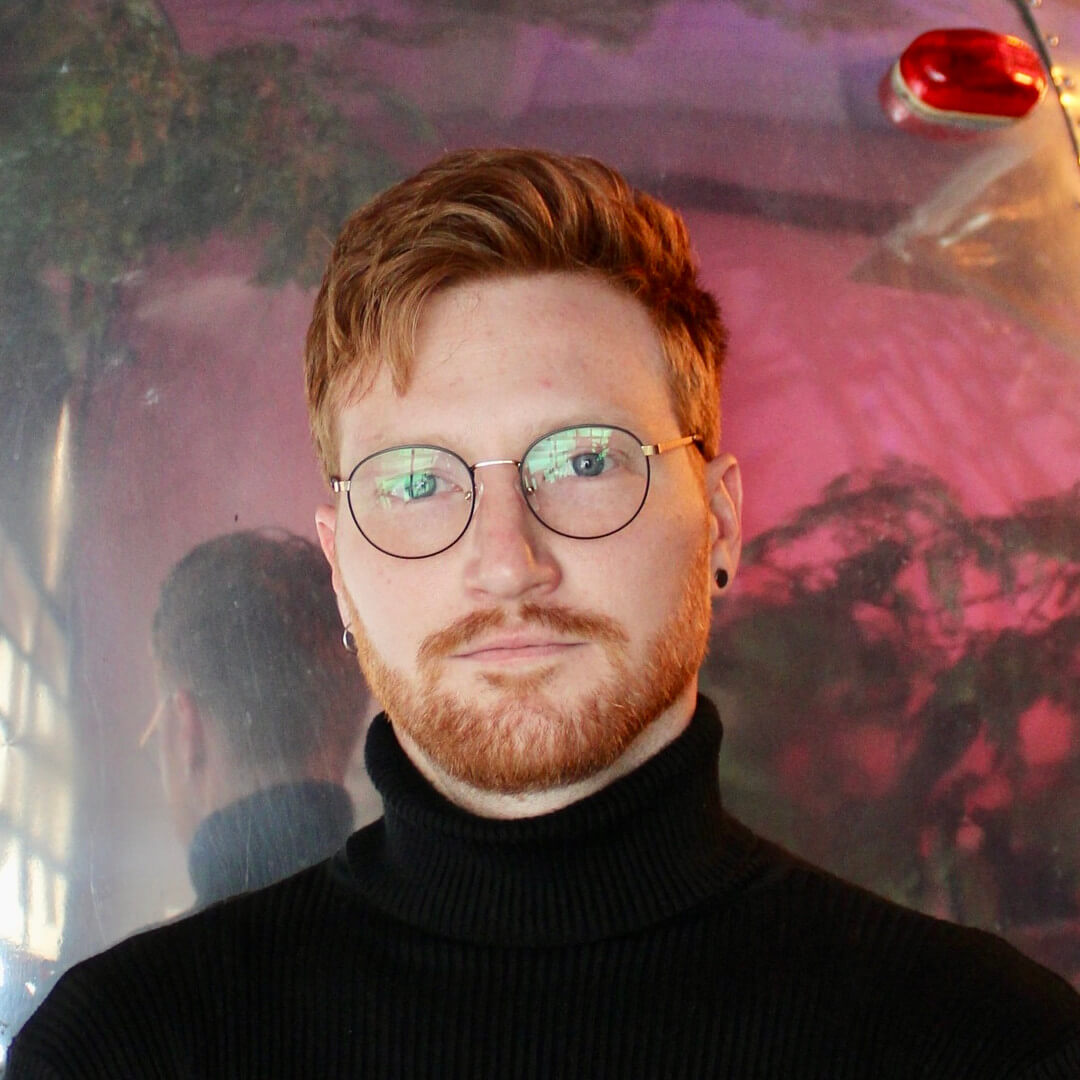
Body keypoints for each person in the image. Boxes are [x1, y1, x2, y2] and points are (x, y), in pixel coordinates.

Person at [8, 148, 1080, 1077]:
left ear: (719, 523)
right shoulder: (124, 1052)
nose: (506, 564)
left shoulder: (993, 1048)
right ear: (340, 569)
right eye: (418, 482)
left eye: (584, 461)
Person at [147, 529, 371, 908]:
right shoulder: (450, 927)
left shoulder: (152, 954)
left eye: (155, 733)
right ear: (351, 721)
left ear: (188, 733)